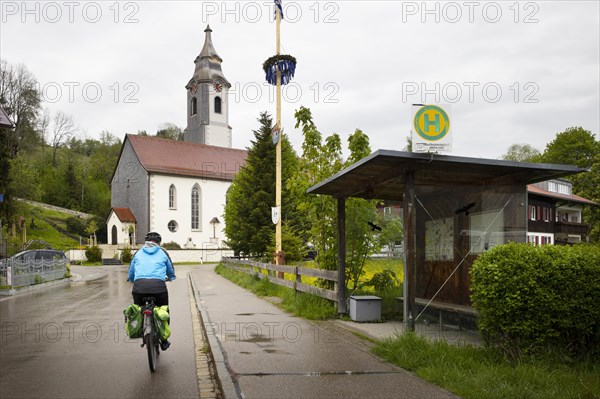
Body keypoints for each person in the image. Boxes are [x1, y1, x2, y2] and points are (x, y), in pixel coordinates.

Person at [127, 231, 176, 350]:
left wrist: (132, 279)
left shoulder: (138, 253)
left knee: (138, 310)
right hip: (158, 288)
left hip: (139, 287)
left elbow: (131, 270)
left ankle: (139, 329)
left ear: (146, 242)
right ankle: (164, 340)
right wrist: (171, 277)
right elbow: (170, 269)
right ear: (159, 243)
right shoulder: (163, 252)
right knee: (164, 311)